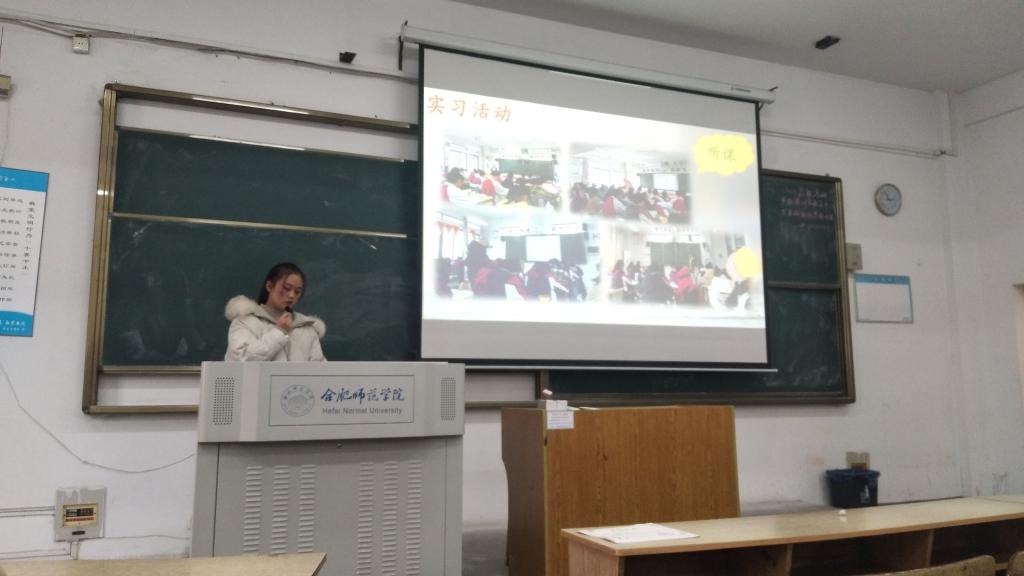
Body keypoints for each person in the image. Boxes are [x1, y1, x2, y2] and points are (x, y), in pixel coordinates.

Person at [224, 262, 326, 361]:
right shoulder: (245, 321)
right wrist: (279, 332)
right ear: (269, 286)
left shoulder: (307, 328)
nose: (292, 295)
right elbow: (242, 360)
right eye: (287, 288)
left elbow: (320, 369)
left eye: (297, 292)